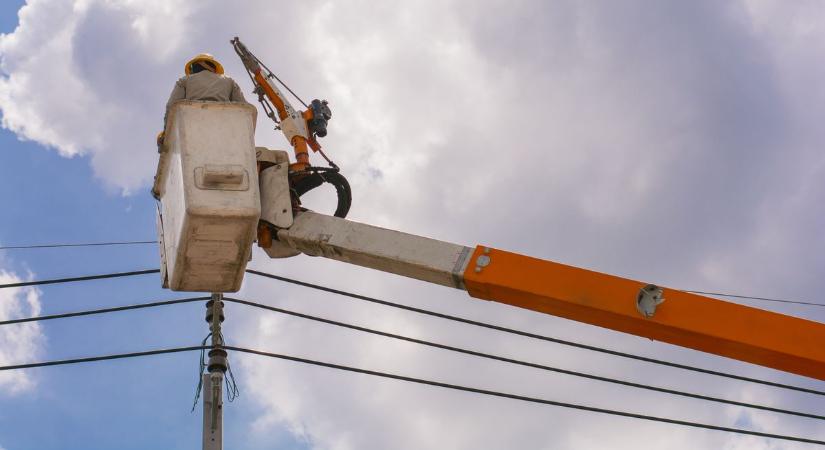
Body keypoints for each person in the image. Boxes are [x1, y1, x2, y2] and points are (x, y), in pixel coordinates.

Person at [157, 53, 249, 147]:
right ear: (213, 67)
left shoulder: (184, 81)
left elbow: (171, 107)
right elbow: (244, 109)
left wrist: (166, 135)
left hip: (193, 132)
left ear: (197, 65)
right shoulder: (229, 81)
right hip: (224, 132)